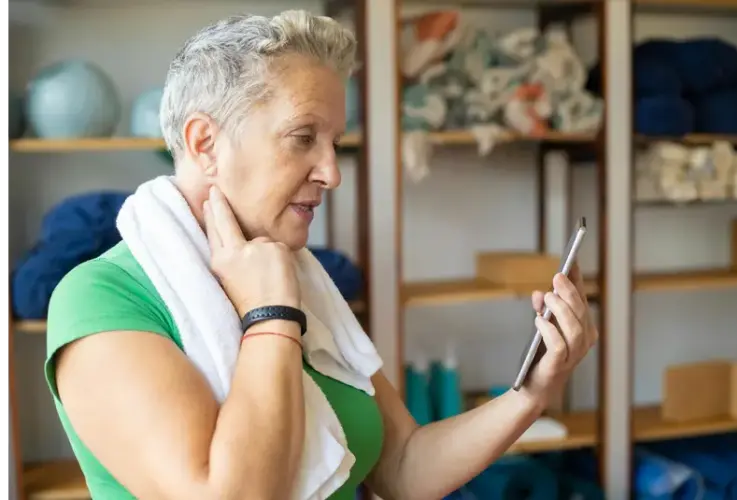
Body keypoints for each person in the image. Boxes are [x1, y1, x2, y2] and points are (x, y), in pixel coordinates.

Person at [45, 10, 598, 500]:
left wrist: (532, 393)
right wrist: (270, 318)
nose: (331, 172)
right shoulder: (100, 299)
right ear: (205, 144)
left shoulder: (300, 279)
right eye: (303, 137)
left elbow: (404, 469)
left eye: (334, 141)